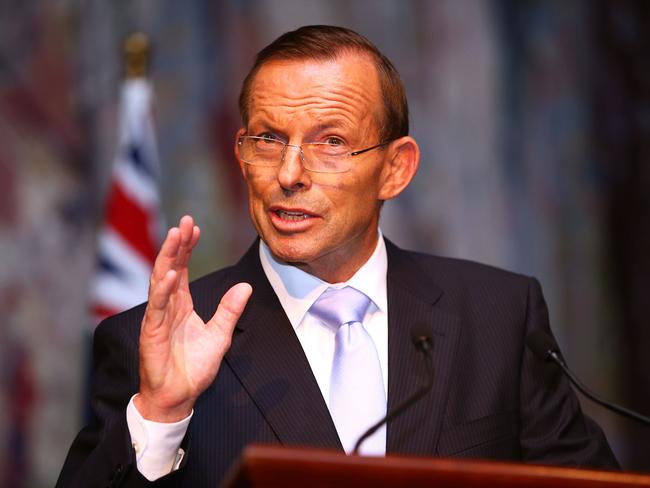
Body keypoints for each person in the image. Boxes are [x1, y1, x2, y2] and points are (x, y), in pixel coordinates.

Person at [57, 25, 618, 487]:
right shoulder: (153, 345)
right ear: (242, 152)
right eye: (269, 139)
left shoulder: (498, 315)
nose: (289, 174)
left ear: (395, 169)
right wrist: (160, 417)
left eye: (331, 142)